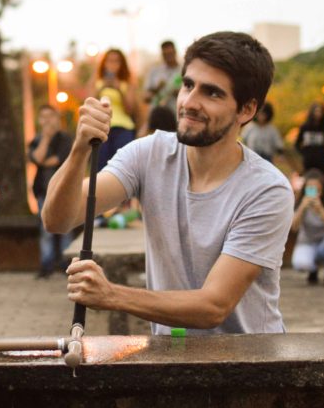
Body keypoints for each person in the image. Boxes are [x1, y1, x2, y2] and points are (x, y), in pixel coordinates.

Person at [44, 31, 293, 335]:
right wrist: (80, 149)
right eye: (188, 85)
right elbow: (58, 218)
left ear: (247, 109)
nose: (190, 102)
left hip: (252, 363)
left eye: (211, 93)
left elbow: (213, 306)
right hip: (172, 354)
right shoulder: (149, 153)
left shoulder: (267, 190)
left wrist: (112, 295)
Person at [28, 105, 73, 278]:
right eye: (43, 116)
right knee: (45, 229)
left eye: (50, 116)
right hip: (42, 191)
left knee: (66, 228)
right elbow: (37, 158)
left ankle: (66, 264)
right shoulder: (37, 140)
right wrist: (45, 139)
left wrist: (44, 160)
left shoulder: (65, 139)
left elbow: (57, 160)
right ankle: (46, 265)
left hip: (63, 191)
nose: (47, 120)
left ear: (57, 118)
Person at [290, 169, 324, 285]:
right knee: (300, 264)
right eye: (310, 189)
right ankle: (312, 270)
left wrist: (320, 210)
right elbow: (294, 227)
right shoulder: (300, 203)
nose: (314, 193)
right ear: (305, 189)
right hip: (307, 244)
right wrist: (302, 208)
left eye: (317, 189)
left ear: (323, 189)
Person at [92, 48, 139, 172]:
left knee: (123, 167)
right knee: (101, 168)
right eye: (109, 61)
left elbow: (130, 110)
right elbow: (90, 104)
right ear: (104, 63)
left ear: (121, 64)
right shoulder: (97, 82)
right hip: (102, 129)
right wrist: (102, 87)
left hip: (123, 129)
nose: (112, 64)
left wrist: (118, 89)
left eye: (116, 61)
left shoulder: (127, 84)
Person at [294, 103, 324, 175]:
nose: (318, 114)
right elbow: (297, 144)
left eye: (320, 111)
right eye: (316, 111)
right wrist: (303, 153)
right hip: (308, 160)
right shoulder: (305, 127)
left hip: (321, 160)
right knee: (309, 179)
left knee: (321, 179)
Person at [143, 40, 182, 117]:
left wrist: (178, 92)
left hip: (176, 116)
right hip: (156, 115)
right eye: (165, 54)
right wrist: (157, 89)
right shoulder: (154, 71)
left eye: (170, 53)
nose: (168, 56)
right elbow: (145, 98)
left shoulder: (184, 71)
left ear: (175, 52)